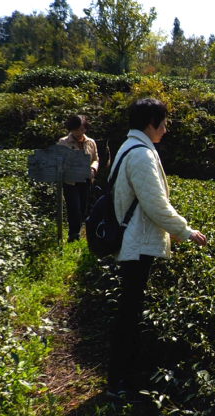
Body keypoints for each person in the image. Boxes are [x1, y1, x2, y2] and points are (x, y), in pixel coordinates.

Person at [107, 98, 207, 400]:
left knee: (129, 310)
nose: (165, 129)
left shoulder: (130, 147)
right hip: (137, 245)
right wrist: (185, 231)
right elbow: (155, 204)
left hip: (134, 241)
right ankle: (118, 382)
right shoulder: (141, 154)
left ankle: (122, 377)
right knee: (129, 313)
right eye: (163, 123)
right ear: (151, 123)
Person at [57, 115, 99, 242]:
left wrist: (93, 169)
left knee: (82, 208)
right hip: (71, 181)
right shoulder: (63, 142)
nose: (79, 132)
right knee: (74, 208)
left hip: (85, 180)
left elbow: (95, 159)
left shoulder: (90, 142)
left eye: (82, 129)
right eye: (76, 130)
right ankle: (73, 235)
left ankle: (78, 231)